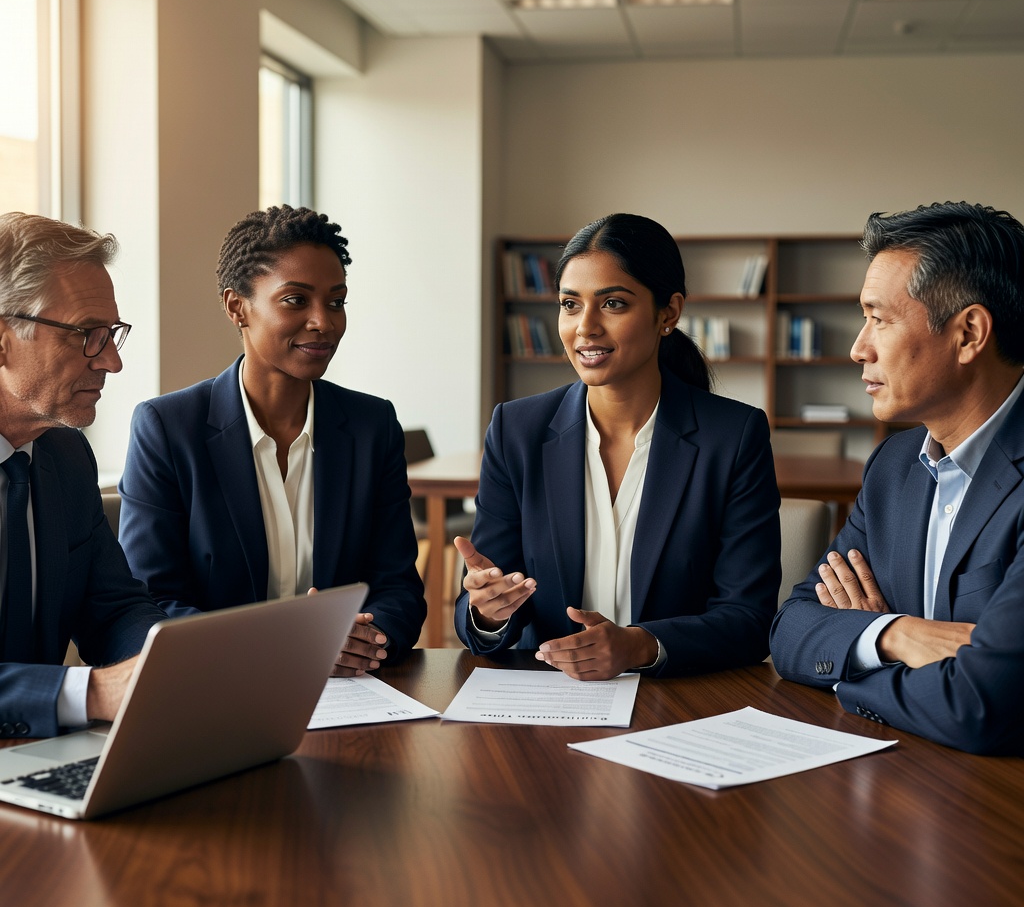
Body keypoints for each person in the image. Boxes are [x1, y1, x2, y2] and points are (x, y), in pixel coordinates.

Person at [454, 213, 781, 679]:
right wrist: (488, 611)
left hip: (679, 700)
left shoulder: (733, 436)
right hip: (545, 701)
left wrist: (640, 646)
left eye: (612, 303)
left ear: (668, 313)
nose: (585, 327)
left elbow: (749, 619)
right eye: (570, 304)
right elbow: (480, 611)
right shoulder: (516, 429)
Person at [118, 206, 425, 674]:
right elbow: (151, 600)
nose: (324, 321)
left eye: (336, 301)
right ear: (237, 307)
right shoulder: (167, 427)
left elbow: (398, 587)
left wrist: (367, 639)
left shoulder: (371, 425)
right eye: (296, 300)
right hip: (219, 687)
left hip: (349, 691)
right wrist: (275, 649)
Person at [771, 201, 1024, 755]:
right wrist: (895, 634)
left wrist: (852, 662)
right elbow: (790, 629)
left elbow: (982, 704)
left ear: (969, 333)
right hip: (899, 780)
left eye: (878, 319)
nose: (858, 347)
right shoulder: (893, 466)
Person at [0, 212, 166, 738]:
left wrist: (166, 666)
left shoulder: (67, 458)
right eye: (85, 335)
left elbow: (113, 608)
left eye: (112, 334)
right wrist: (95, 691)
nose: (112, 362)